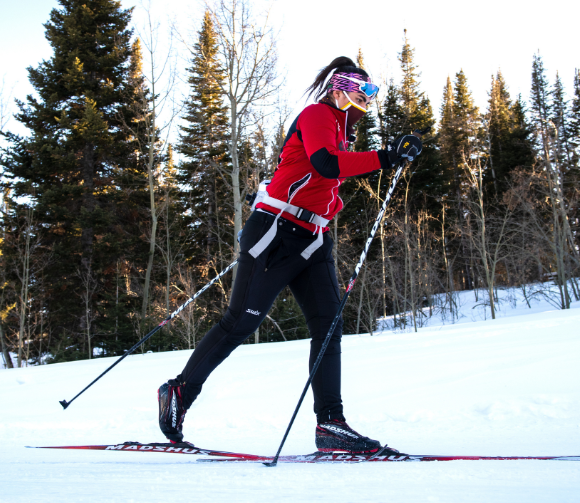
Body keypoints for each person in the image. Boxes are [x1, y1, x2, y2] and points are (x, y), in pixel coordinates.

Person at [158, 56, 423, 453]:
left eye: (371, 92)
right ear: (337, 88)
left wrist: (395, 155)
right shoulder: (318, 114)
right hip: (276, 231)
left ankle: (331, 425)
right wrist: (385, 157)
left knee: (328, 326)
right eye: (359, 89)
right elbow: (325, 164)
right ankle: (179, 391)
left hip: (313, 239)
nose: (366, 98)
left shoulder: (342, 131)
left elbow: (331, 172)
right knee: (240, 323)